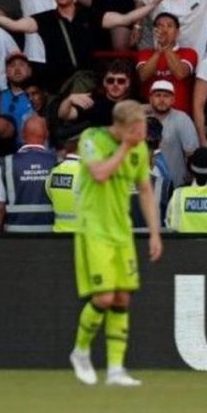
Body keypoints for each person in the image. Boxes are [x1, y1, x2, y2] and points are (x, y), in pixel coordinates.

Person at [68, 100, 162, 387]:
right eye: (139, 128)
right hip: (93, 229)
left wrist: (155, 233)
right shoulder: (91, 139)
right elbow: (99, 174)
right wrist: (124, 148)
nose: (143, 134)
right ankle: (81, 351)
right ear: (123, 127)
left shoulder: (139, 150)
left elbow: (145, 191)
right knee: (103, 297)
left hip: (122, 231)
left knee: (122, 298)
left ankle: (116, 370)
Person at [0, 116, 56, 233]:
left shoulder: (7, 163)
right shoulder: (56, 162)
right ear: (47, 135)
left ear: (22, 135)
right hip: (49, 236)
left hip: (15, 238)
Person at [136, 13, 197, 114]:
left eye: (169, 26)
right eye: (160, 26)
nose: (164, 30)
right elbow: (143, 76)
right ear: (154, 31)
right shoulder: (145, 53)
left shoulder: (189, 53)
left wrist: (165, 46)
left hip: (179, 114)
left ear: (177, 32)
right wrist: (159, 52)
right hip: (151, 115)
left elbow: (180, 74)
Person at [145, 80, 198, 187]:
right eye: (158, 95)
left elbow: (192, 154)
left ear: (173, 99)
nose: (162, 99)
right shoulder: (141, 118)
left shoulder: (182, 119)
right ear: (150, 98)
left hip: (175, 184)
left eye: (166, 96)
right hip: (145, 186)